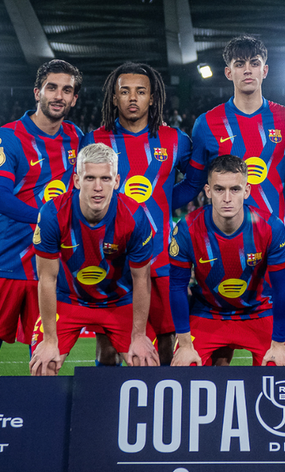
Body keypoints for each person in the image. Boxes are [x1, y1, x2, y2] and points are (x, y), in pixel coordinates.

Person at [0, 59, 83, 377]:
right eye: (52, 87)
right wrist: (50, 219)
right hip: (5, 261)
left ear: (74, 99)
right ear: (37, 92)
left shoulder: (76, 138)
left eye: (66, 90)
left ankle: (42, 411)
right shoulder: (8, 136)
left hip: (49, 266)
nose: (58, 95)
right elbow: (0, 199)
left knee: (45, 359)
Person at [81, 62, 198, 366]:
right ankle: (107, 395)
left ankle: (163, 394)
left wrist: (165, 200)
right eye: (125, 92)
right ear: (114, 97)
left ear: (152, 97)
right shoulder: (95, 140)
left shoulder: (175, 140)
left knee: (165, 341)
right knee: (108, 346)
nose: (133, 98)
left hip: (160, 258)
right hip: (111, 259)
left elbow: (195, 182)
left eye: (141, 92)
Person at [29, 143, 158, 375]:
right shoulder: (52, 214)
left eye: (105, 179)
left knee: (145, 362)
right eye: (90, 178)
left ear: (116, 181)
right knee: (43, 366)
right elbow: (46, 279)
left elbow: (141, 280)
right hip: (68, 299)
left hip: (118, 301)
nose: (98, 187)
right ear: (77, 180)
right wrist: (49, 339)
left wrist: (139, 336)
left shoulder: (135, 217)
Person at [169, 155, 285, 367]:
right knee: (186, 368)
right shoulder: (186, 229)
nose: (227, 198)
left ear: (247, 191)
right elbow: (177, 287)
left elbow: (282, 289)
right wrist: (185, 345)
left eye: (235, 189)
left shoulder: (271, 228)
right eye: (219, 189)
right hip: (208, 313)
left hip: (257, 312)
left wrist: (279, 343)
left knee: (277, 369)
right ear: (208, 191)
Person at [186, 35, 285, 223]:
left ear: (265, 70)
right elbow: (193, 182)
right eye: (239, 64)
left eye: (254, 63)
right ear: (228, 72)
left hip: (274, 234)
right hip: (223, 234)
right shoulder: (206, 123)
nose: (247, 70)